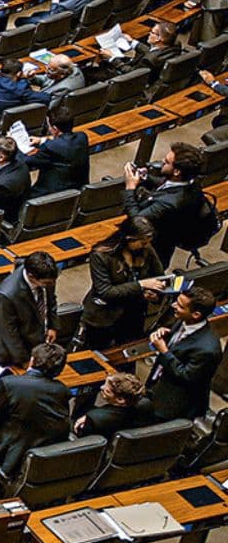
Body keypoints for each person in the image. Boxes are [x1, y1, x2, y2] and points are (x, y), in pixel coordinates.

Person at [0, 343, 72, 474]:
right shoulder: (62, 390)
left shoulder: (9, 384)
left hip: (9, 452)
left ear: (32, 360)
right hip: (44, 450)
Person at [126, 142, 212, 270]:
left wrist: (130, 188)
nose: (162, 161)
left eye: (166, 162)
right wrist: (145, 177)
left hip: (149, 254)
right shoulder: (191, 183)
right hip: (166, 241)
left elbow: (137, 221)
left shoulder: (169, 203)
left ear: (177, 171)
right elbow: (166, 185)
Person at [82, 216, 163, 349]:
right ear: (128, 239)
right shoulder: (101, 255)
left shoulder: (147, 250)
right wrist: (141, 285)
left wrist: (155, 294)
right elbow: (105, 291)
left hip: (133, 313)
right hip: (104, 314)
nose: (147, 246)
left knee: (129, 353)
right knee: (99, 353)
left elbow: (159, 277)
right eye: (142, 243)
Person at [147, 286, 222, 420]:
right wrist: (166, 336)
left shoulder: (208, 349)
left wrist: (164, 350)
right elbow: (179, 346)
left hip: (173, 404)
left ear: (196, 314)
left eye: (181, 306)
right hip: (157, 386)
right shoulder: (184, 321)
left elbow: (186, 376)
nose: (174, 305)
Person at [0, 252, 57, 368]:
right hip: (11, 353)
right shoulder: (7, 294)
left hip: (36, 341)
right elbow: (8, 331)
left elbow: (51, 300)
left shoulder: (47, 275)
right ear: (31, 276)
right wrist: (24, 360)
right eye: (47, 283)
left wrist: (52, 326)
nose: (52, 284)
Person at [27, 103, 90, 197]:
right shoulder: (82, 137)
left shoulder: (50, 147)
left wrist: (13, 145)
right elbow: (64, 141)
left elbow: (28, 161)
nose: (48, 128)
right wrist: (42, 140)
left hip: (50, 195)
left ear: (55, 129)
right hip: (79, 190)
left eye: (48, 125)